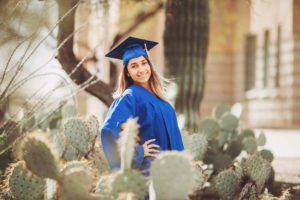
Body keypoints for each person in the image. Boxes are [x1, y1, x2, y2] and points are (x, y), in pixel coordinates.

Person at [100, 36, 184, 175]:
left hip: (172, 171)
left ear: (149, 65)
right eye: (134, 66)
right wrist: (138, 151)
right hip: (150, 171)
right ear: (127, 72)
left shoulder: (161, 98)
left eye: (144, 63)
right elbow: (109, 130)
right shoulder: (130, 96)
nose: (141, 69)